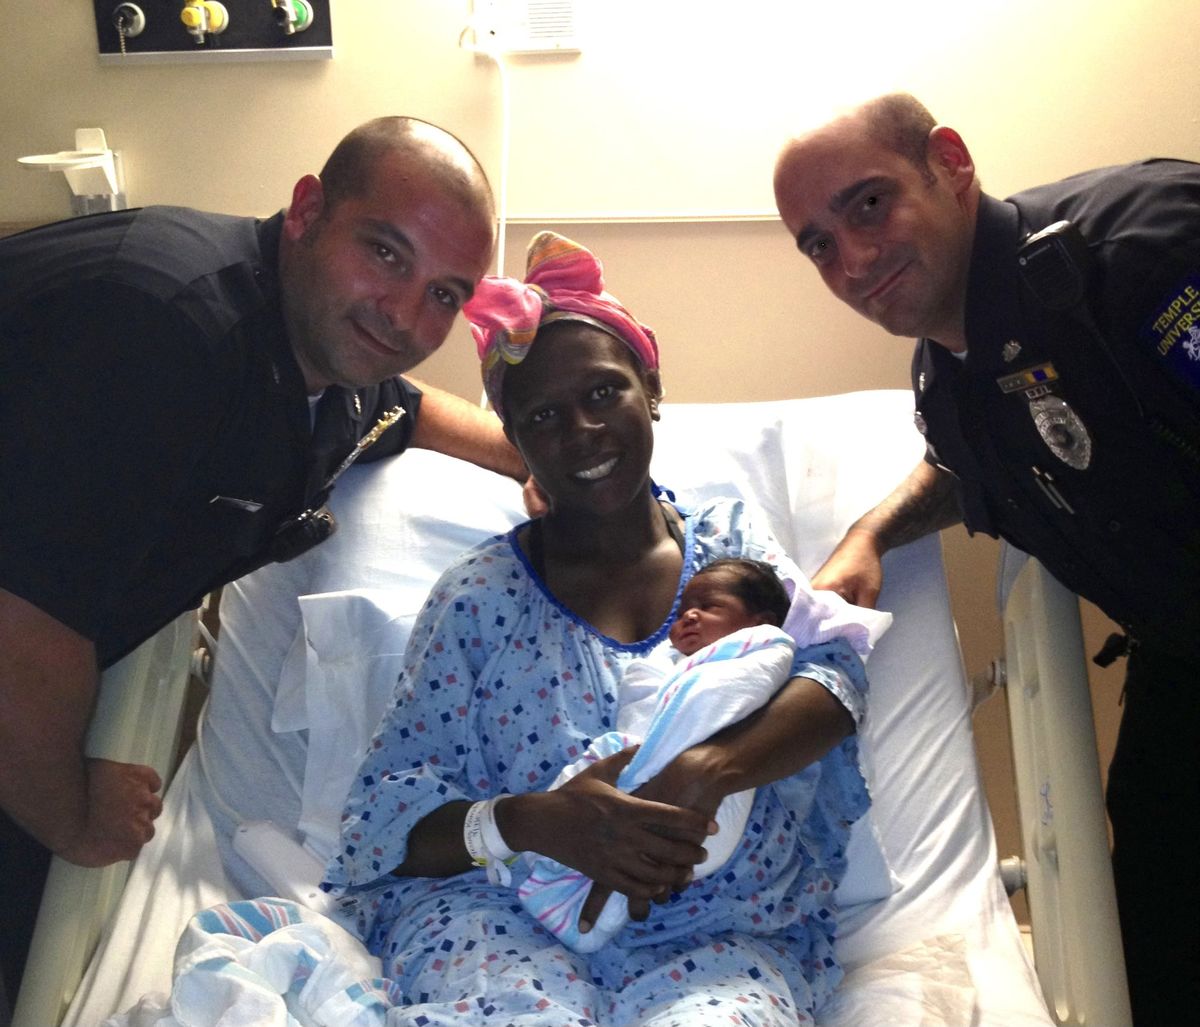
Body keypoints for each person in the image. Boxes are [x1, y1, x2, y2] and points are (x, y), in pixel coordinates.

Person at [0, 115, 524, 1002]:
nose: (403, 316)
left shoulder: (317, 361)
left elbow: (399, 404)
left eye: (445, 293)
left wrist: (533, 457)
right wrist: (76, 818)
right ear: (306, 208)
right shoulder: (164, 334)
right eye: (386, 253)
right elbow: (22, 642)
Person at [324, 231, 875, 1025]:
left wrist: (707, 770)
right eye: (543, 415)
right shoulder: (478, 601)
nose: (581, 430)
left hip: (718, 938)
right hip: (500, 926)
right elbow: (388, 819)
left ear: (650, 387)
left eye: (603, 394)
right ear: (515, 441)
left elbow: (834, 675)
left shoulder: (728, 545)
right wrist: (530, 820)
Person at [772, 92, 1200, 1024]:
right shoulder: (953, 378)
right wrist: (871, 535)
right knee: (1156, 914)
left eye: (868, 204)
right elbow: (968, 468)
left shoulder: (1139, 249)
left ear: (951, 164)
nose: (851, 259)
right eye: (817, 244)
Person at [520, 558, 798, 952]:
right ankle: (567, 887)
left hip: (709, 807)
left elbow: (728, 696)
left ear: (758, 621)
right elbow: (640, 697)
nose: (690, 615)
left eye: (710, 606)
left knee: (645, 829)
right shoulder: (660, 665)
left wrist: (660, 765)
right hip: (635, 769)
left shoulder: (761, 650)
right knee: (598, 770)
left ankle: (563, 886)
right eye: (683, 609)